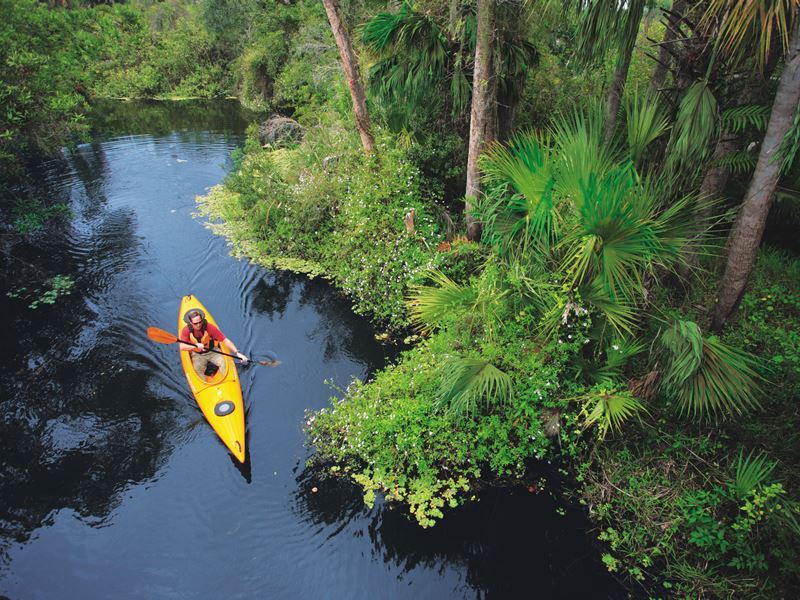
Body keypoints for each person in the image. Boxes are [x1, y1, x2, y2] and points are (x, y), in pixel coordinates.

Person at [179, 309, 248, 378]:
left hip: (212, 351)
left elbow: (225, 340)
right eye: (195, 323)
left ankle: (229, 381)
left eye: (200, 322)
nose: (199, 325)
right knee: (197, 370)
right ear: (191, 323)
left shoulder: (209, 327)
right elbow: (182, 347)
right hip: (198, 355)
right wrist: (195, 346)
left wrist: (237, 353)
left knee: (225, 364)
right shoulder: (186, 331)